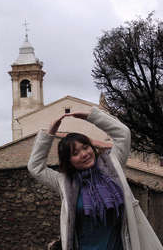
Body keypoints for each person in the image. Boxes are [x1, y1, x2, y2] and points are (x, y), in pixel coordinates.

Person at [28, 106, 163, 250]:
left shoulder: (113, 165)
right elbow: (35, 167)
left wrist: (91, 116)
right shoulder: (64, 182)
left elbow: (123, 134)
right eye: (75, 153)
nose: (84, 154)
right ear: (69, 161)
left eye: (86, 147)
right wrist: (50, 133)